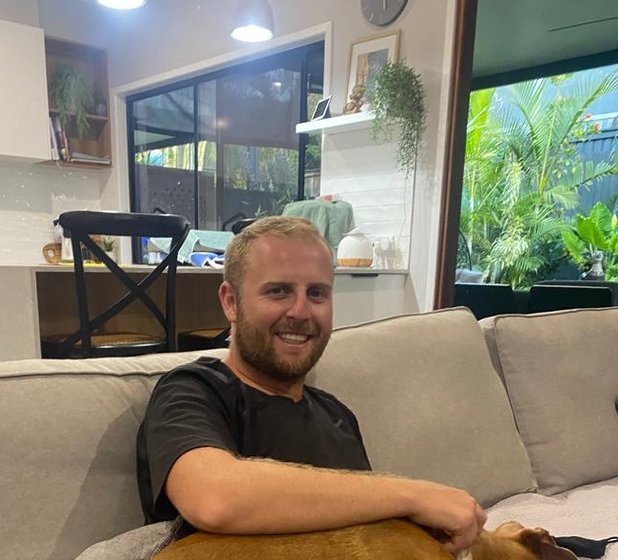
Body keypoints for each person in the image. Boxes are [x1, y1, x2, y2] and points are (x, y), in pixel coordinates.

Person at [136, 215, 486, 553]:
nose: (301, 312)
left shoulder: (336, 414)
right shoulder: (192, 390)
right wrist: (414, 495)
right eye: (278, 291)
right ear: (231, 302)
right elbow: (214, 499)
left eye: (317, 293)